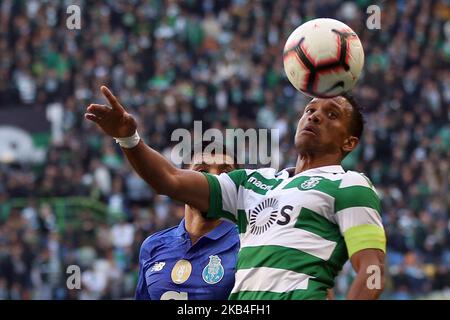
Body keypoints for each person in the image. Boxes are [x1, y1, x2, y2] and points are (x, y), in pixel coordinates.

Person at [85, 86, 386, 300]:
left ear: (349, 143)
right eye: (309, 110)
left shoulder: (351, 185)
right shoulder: (254, 183)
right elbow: (170, 180)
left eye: (331, 114)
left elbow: (372, 271)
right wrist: (128, 138)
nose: (315, 116)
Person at [134, 144, 240, 300]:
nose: (214, 180)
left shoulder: (247, 244)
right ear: (183, 181)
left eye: (225, 172)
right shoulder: (153, 246)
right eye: (202, 171)